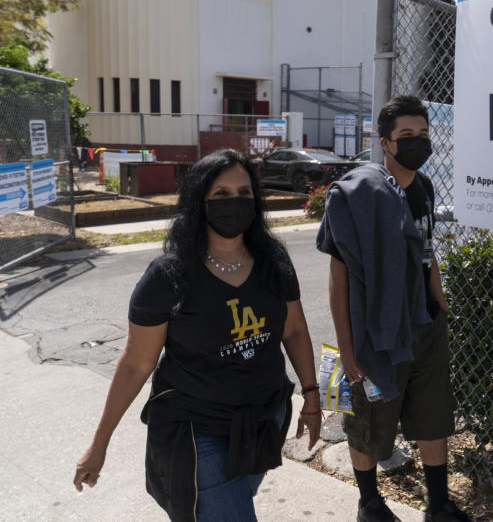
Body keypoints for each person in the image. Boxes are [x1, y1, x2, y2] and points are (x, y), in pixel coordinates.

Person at [73, 148, 324, 522]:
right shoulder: (168, 276)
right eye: (221, 194)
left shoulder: (274, 260)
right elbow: (136, 365)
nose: (234, 202)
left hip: (263, 420)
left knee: (228, 503)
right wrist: (99, 443)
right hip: (197, 428)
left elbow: (295, 330)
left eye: (244, 193)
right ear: (199, 203)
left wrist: (311, 395)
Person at [318, 95, 471, 522]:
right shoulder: (356, 195)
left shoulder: (422, 187)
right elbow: (339, 276)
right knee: (368, 417)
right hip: (375, 331)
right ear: (385, 142)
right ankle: (370, 503)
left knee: (432, 413)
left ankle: (437, 504)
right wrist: (347, 351)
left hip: (424, 325)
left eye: (423, 135)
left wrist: (439, 304)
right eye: (407, 136)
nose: (418, 143)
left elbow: (428, 252)